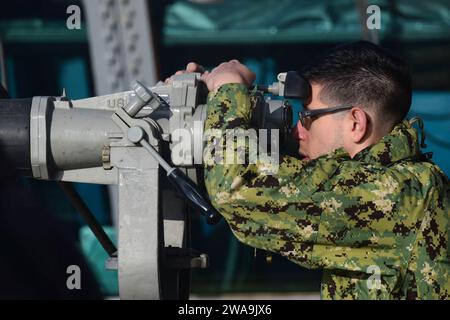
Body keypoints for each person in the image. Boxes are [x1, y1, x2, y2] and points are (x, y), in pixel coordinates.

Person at [171, 41, 450, 299]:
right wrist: (199, 106)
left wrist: (229, 90)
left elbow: (237, 190)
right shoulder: (389, 181)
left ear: (356, 123)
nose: (297, 130)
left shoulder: (404, 193)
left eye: (308, 116)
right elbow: (268, 185)